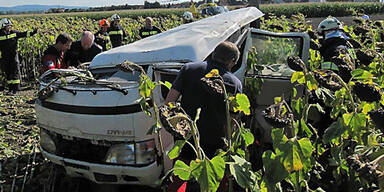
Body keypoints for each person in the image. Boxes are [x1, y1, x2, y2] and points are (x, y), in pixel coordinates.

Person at [165, 41, 242, 192]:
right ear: (232, 61)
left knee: (178, 181)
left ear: (213, 54)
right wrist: (228, 141)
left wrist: (176, 128)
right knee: (214, 183)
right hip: (215, 142)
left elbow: (169, 102)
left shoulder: (189, 69)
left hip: (187, 137)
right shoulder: (234, 83)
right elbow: (232, 120)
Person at [0, 18, 37, 94]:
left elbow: (23, 34)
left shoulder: (14, 33)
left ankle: (16, 90)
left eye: (10, 26)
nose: (9, 27)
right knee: (8, 72)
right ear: (3, 26)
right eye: (8, 26)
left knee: (15, 72)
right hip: (4, 57)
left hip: (14, 56)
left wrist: (32, 33)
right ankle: (10, 89)